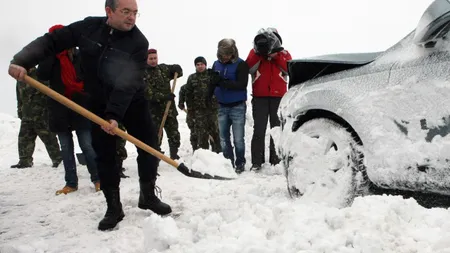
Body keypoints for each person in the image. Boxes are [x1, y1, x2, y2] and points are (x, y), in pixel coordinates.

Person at [8, 0, 171, 231]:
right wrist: (22, 60)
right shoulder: (88, 28)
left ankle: (148, 195)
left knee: (149, 146)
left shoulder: (138, 42)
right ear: (109, 11)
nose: (131, 17)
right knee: (104, 154)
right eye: (125, 11)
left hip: (132, 100)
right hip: (96, 101)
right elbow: (52, 41)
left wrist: (114, 115)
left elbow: (128, 83)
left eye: (135, 12)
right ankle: (113, 206)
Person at [37, 25, 100, 195]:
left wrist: (86, 96)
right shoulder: (49, 57)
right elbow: (41, 75)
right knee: (65, 148)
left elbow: (90, 76)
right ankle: (71, 183)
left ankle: (98, 179)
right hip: (59, 108)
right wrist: (50, 55)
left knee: (87, 144)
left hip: (79, 106)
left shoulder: (79, 55)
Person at [246, 28, 292, 170]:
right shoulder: (255, 52)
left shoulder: (284, 53)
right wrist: (260, 54)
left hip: (279, 97)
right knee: (258, 130)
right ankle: (256, 162)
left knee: (276, 129)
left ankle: (276, 161)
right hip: (260, 97)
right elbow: (249, 67)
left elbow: (289, 69)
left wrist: (276, 55)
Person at [208, 39, 249, 174]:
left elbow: (241, 85)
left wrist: (224, 82)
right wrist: (209, 93)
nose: (225, 58)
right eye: (222, 55)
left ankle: (240, 162)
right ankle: (228, 162)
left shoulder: (241, 64)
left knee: (238, 138)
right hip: (221, 106)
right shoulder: (216, 64)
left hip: (237, 106)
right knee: (223, 138)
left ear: (233, 53)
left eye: (228, 55)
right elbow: (213, 83)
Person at [12, 67, 62, 169]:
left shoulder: (41, 75)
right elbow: (19, 97)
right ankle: (24, 161)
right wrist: (20, 111)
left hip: (41, 115)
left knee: (49, 139)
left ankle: (57, 160)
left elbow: (49, 94)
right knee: (24, 139)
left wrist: (49, 112)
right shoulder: (21, 78)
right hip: (27, 115)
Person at [144, 48, 183, 159]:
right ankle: (154, 157)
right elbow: (148, 95)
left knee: (174, 134)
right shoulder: (143, 73)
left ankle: (174, 156)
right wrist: (165, 97)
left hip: (169, 109)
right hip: (154, 112)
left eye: (155, 58)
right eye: (150, 59)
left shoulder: (163, 68)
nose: (153, 61)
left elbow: (176, 71)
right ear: (146, 59)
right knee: (155, 136)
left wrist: (177, 68)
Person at [185, 56, 221, 153]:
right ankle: (204, 156)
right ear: (195, 66)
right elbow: (188, 95)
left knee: (215, 132)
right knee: (202, 134)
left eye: (202, 64)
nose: (200, 66)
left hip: (212, 110)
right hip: (199, 111)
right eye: (198, 65)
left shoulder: (211, 75)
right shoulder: (192, 78)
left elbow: (219, 86)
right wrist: (190, 110)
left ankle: (217, 154)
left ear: (205, 64)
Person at [178, 84, 197, 151]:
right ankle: (196, 151)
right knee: (194, 133)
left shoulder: (207, 85)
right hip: (192, 114)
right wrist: (181, 104)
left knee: (212, 132)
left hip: (207, 114)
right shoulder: (184, 88)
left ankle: (215, 153)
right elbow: (180, 104)